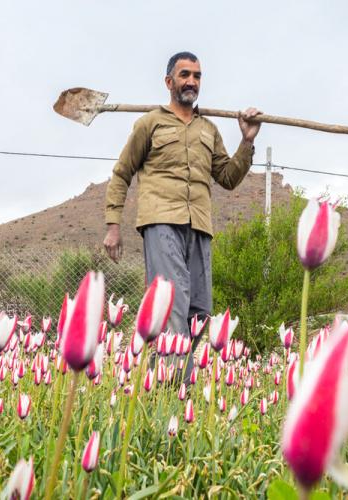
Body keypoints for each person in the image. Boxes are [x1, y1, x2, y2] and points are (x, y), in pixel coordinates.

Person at [103, 51, 261, 381]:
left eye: (197, 76)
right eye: (185, 74)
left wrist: (246, 142)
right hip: (161, 221)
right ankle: (178, 391)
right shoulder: (150, 123)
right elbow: (122, 173)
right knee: (172, 305)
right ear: (169, 81)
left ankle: (161, 377)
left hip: (200, 225)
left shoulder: (209, 130)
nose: (191, 81)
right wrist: (113, 225)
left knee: (199, 312)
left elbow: (228, 178)